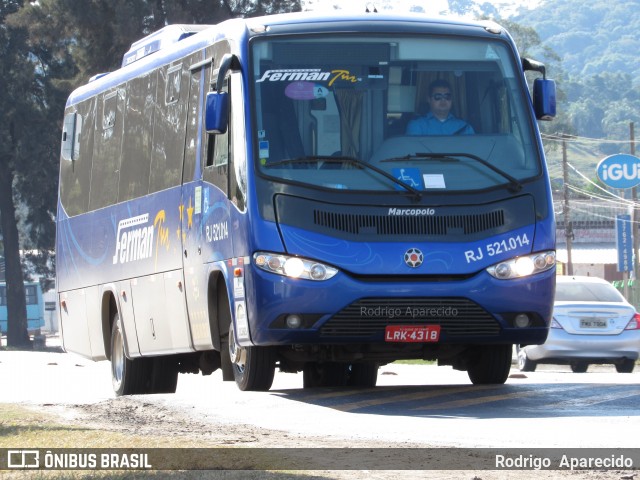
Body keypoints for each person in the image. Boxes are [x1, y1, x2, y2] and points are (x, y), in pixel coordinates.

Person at [406, 79, 475, 135]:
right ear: (429, 99)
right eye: (438, 96)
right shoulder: (417, 125)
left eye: (447, 96)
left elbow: (472, 150)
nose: (443, 100)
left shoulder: (464, 127)